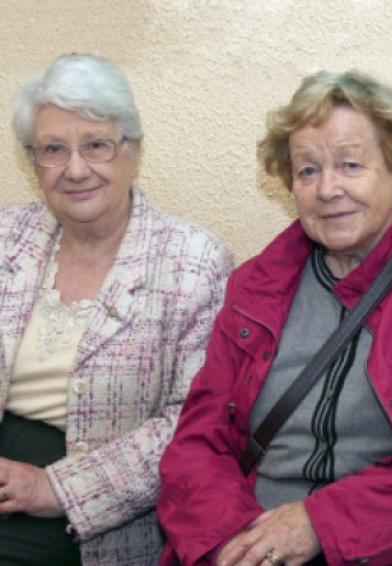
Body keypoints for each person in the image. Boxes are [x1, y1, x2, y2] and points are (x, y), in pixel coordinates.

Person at [157, 70, 392, 566]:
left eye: (350, 164)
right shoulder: (257, 284)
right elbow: (197, 440)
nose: (327, 188)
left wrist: (321, 524)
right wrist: (230, 538)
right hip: (252, 535)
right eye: (307, 171)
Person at [0, 54, 233, 565]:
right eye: (53, 150)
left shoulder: (193, 260)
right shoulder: (5, 237)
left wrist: (53, 489)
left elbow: (193, 423)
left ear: (133, 151)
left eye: (97, 146)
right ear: (31, 160)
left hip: (99, 525)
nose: (75, 169)